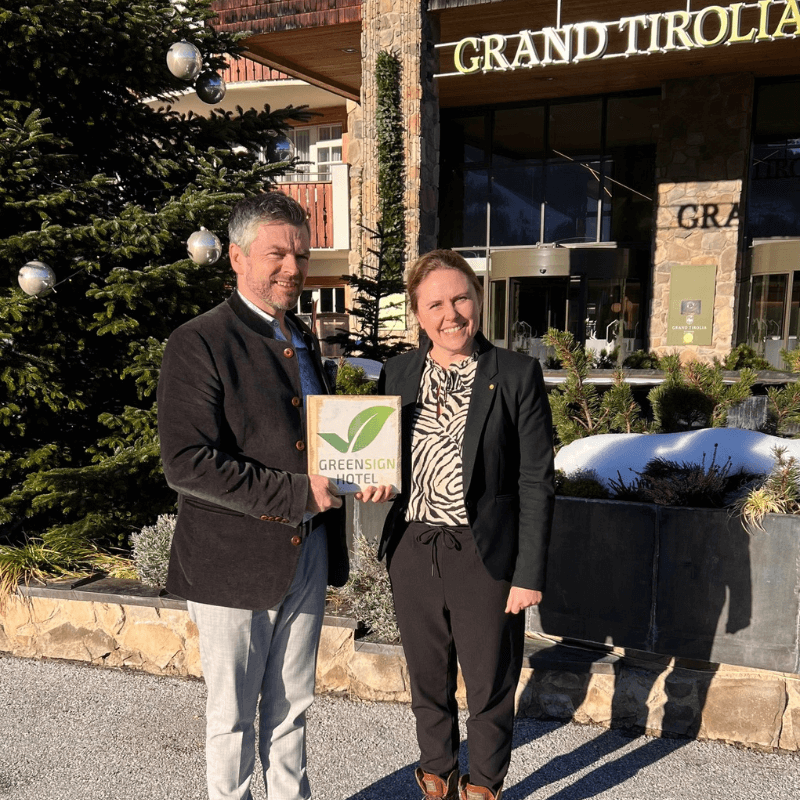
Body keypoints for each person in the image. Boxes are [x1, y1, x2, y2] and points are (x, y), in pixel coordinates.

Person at [157, 192, 347, 800]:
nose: (293, 267)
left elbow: (312, 441)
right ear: (236, 258)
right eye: (277, 254)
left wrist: (355, 468)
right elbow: (186, 464)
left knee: (293, 711)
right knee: (233, 719)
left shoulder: (300, 337)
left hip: (308, 550)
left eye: (301, 253)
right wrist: (299, 492)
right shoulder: (198, 342)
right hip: (231, 560)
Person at [359, 250, 555, 800]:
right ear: (418, 314)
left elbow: (537, 480)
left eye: (461, 297)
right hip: (413, 547)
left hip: (484, 551)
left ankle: (484, 785)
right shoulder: (399, 372)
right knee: (427, 677)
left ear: (479, 300)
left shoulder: (515, 375)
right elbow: (385, 456)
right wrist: (378, 481)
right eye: (436, 303)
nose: (451, 314)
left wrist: (528, 571)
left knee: (491, 681)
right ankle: (436, 776)